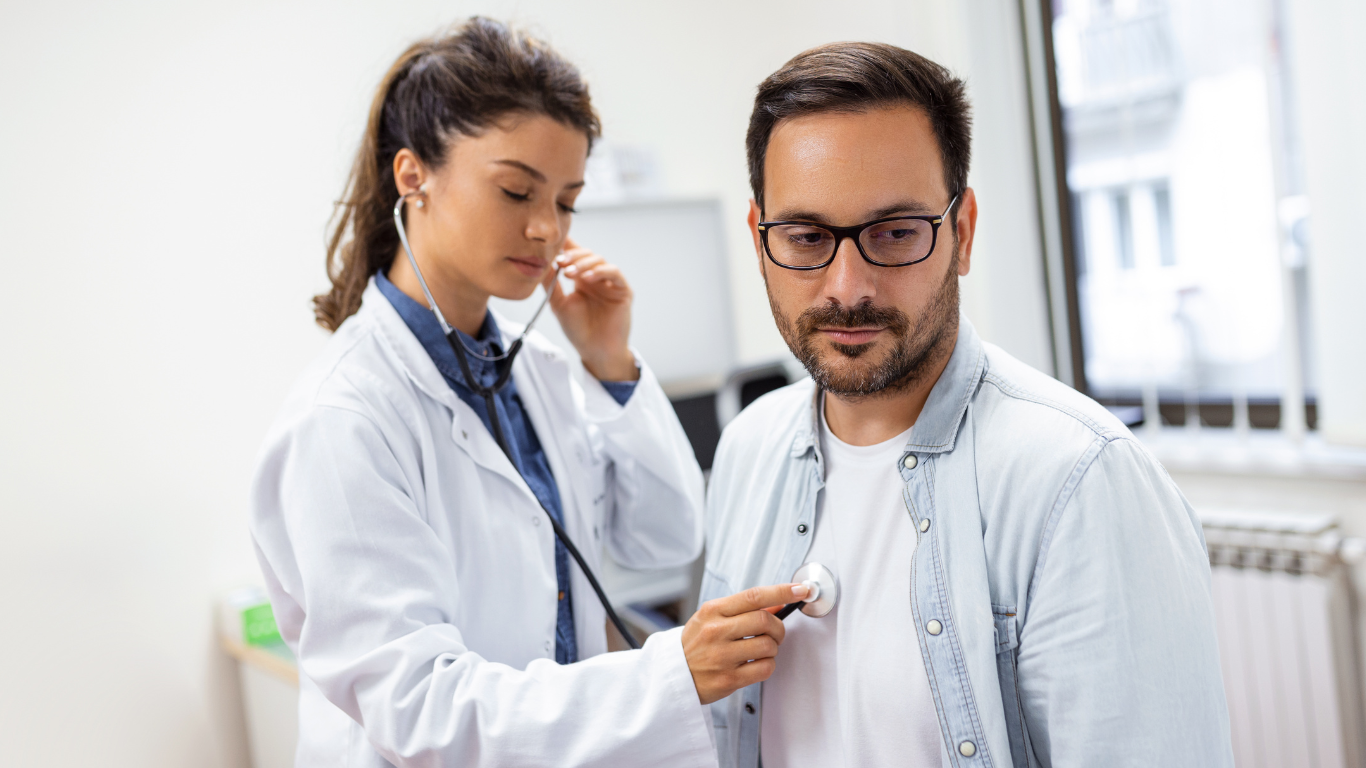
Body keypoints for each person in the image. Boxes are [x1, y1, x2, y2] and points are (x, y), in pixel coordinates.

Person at [250, 18, 803, 767]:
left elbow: (666, 536)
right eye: (516, 190)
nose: (546, 229)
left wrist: (610, 359)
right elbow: (420, 711)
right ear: (413, 177)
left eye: (568, 201)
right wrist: (670, 674)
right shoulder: (343, 418)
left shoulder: (532, 370)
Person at [701, 42, 1234, 767]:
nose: (846, 285)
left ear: (963, 231)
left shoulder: (1079, 481)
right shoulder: (747, 447)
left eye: (893, 234)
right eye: (807, 237)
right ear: (762, 240)